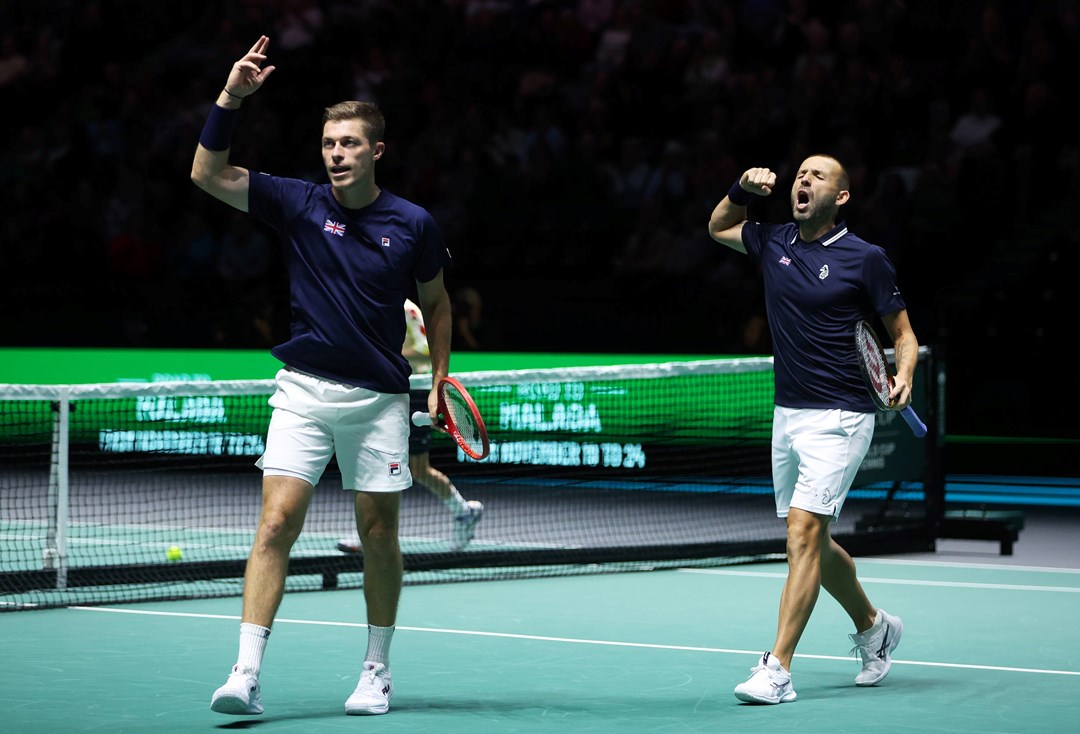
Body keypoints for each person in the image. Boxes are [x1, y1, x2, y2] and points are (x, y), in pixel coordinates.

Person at [190, 36, 454, 717]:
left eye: (348, 143)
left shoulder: (413, 224)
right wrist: (230, 98)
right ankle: (245, 671)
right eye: (329, 143)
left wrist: (440, 380)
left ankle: (376, 668)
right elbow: (206, 174)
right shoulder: (298, 202)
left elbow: (438, 302)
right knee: (276, 523)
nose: (335, 153)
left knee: (378, 537)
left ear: (375, 152)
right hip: (303, 391)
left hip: (377, 402)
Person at [707, 154, 916, 704]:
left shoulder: (865, 258)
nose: (803, 180)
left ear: (840, 197)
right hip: (789, 415)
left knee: (801, 535)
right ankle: (876, 628)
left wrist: (907, 372)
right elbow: (719, 225)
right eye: (800, 174)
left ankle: (776, 669)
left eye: (817, 176)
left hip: (842, 417)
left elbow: (903, 332)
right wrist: (741, 188)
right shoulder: (773, 240)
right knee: (814, 544)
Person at [336, 298, 484, 554]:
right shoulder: (383, 304)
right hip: (393, 390)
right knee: (390, 461)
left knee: (414, 467)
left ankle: (463, 512)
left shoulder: (402, 307)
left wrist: (379, 356)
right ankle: (463, 511)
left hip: (412, 390)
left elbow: (426, 349)